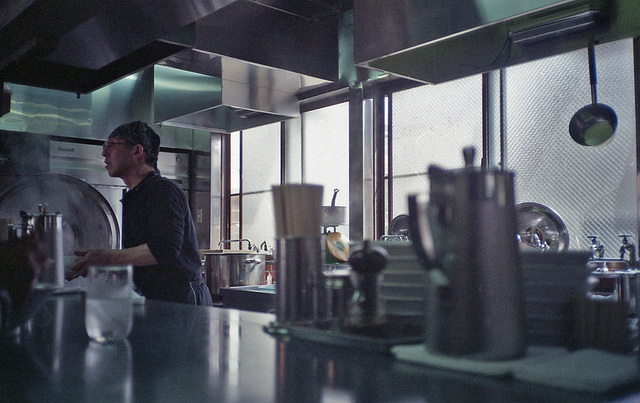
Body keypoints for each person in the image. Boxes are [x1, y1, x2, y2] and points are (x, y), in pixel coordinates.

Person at [70, 121, 212, 306]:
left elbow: (165, 249)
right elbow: (146, 257)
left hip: (182, 300)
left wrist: (106, 257)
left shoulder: (163, 190)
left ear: (137, 151)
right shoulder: (135, 195)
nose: (104, 153)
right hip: (157, 300)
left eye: (110, 145)